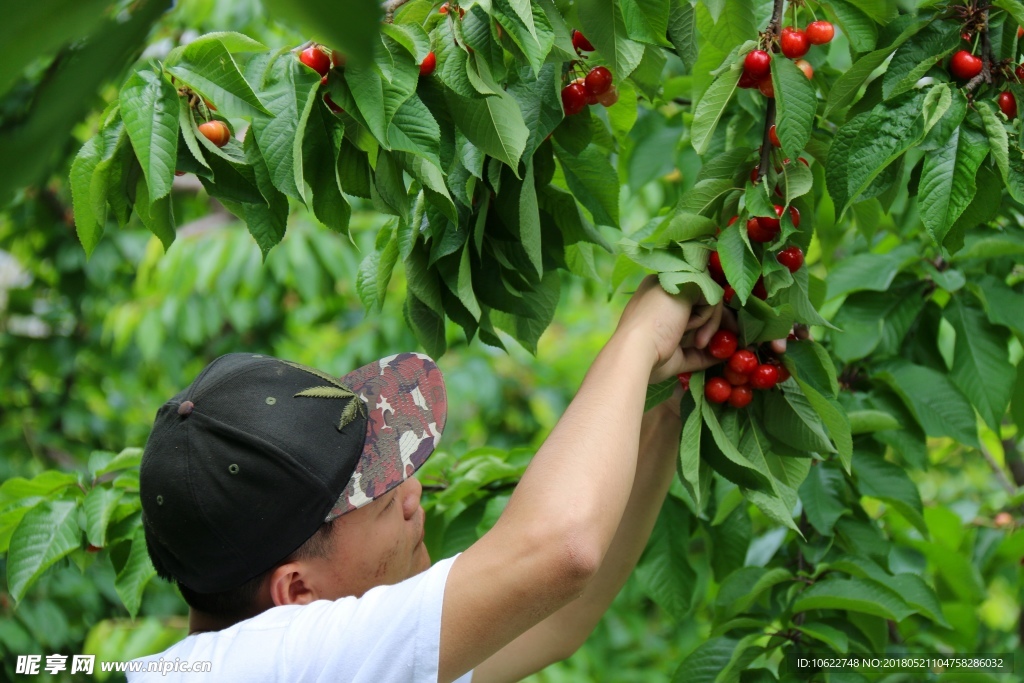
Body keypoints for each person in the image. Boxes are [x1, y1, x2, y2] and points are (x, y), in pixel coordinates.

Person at [129, 276, 724, 682]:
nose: (414, 493)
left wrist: (670, 400)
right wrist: (639, 336)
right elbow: (560, 550)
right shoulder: (273, 665)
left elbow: (555, 619)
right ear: (297, 592)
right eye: (383, 502)